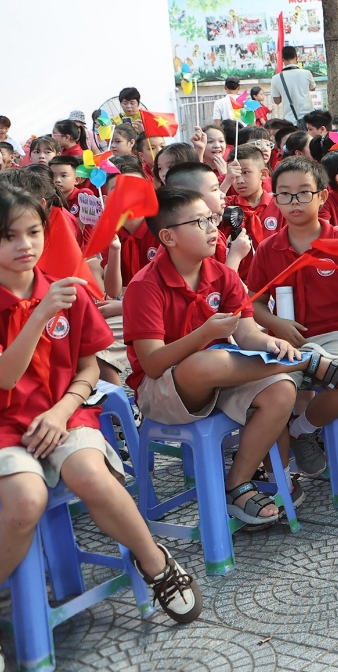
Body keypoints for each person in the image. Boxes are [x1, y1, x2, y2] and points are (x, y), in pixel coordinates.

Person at [0, 187, 203, 624]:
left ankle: (155, 562)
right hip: (4, 426)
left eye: (33, 232)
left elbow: (89, 368)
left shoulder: (65, 292)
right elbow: (5, 378)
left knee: (89, 473)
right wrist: (37, 316)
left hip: (65, 412)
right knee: (25, 499)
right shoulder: (48, 301)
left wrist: (60, 411)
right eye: (8, 236)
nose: (25, 245)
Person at [125, 187, 338, 524]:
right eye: (200, 222)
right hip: (163, 388)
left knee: (282, 390)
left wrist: (271, 344)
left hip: (222, 372)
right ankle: (304, 361)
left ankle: (237, 483)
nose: (212, 229)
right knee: (209, 360)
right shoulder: (145, 286)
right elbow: (153, 364)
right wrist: (204, 334)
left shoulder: (223, 274)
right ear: (168, 237)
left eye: (212, 219)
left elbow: (246, 333)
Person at [242, 157, 338, 483]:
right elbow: (254, 304)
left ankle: (301, 431)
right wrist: (278, 324)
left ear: (322, 196)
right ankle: (278, 473)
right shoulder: (270, 249)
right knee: (269, 392)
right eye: (284, 194)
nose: (293, 202)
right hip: (288, 341)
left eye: (303, 193)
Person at [270, 45, 316, 126]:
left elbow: (277, 101)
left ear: (283, 59)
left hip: (289, 121)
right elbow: (313, 88)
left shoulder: (276, 78)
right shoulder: (306, 73)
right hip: (308, 120)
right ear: (296, 57)